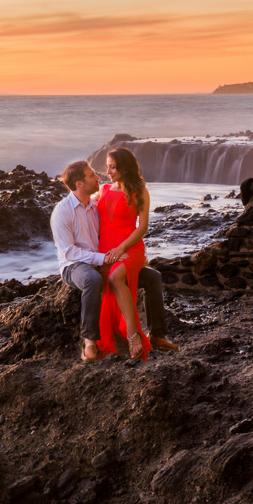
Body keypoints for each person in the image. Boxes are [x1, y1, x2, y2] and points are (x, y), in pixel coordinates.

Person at [50, 158, 178, 361]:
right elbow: (69, 253)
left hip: (104, 261)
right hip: (75, 266)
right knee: (93, 280)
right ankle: (89, 342)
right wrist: (104, 258)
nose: (98, 177)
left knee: (153, 277)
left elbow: (117, 227)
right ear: (79, 184)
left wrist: (131, 259)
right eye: (92, 176)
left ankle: (158, 335)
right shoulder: (62, 212)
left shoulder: (95, 205)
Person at [97, 148, 150, 360]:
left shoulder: (141, 191)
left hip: (130, 247)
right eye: (107, 166)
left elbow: (143, 227)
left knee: (115, 277)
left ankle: (133, 334)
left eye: (113, 167)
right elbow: (84, 206)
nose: (108, 171)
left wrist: (121, 248)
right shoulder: (103, 189)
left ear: (124, 167)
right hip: (105, 250)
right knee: (109, 278)